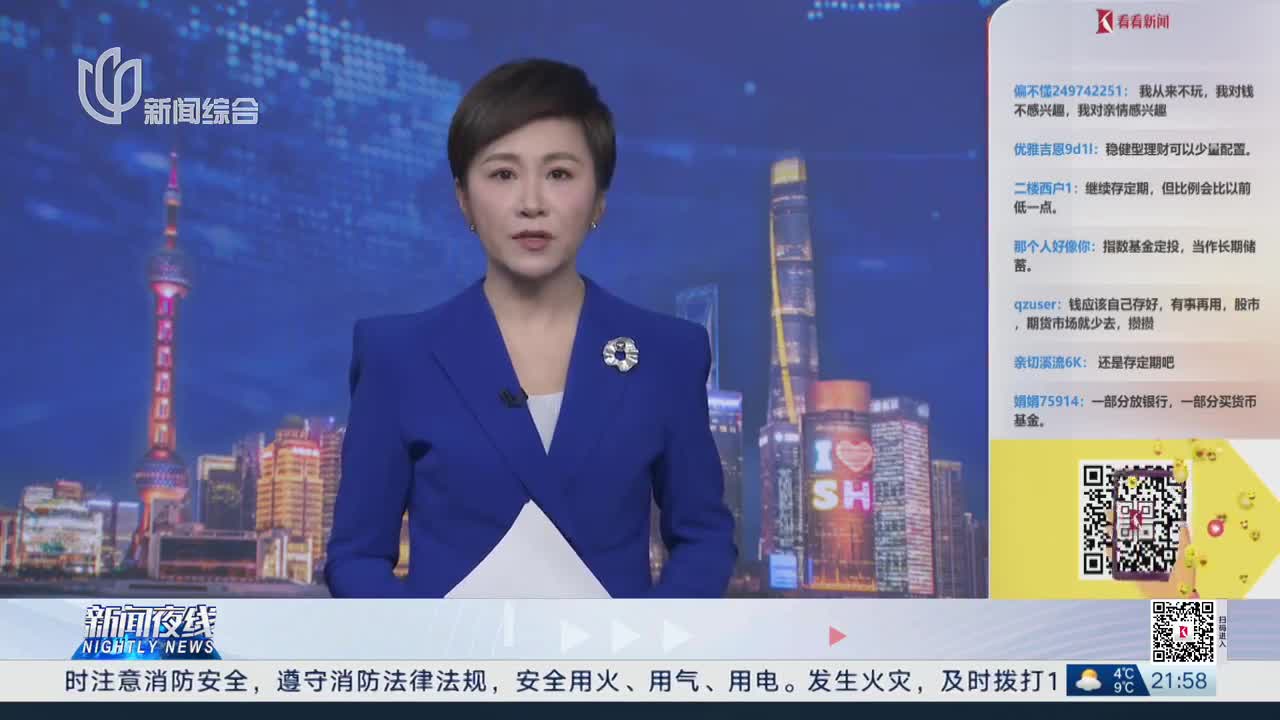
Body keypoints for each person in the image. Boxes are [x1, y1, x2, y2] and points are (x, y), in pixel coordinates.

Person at [325, 58, 737, 598]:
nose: (531, 204)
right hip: (453, 653)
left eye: (559, 174)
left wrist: (646, 640)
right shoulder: (396, 355)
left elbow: (704, 539)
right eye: (503, 174)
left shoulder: (667, 354)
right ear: (464, 199)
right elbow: (356, 557)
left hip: (613, 654)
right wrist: (427, 643)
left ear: (599, 198)